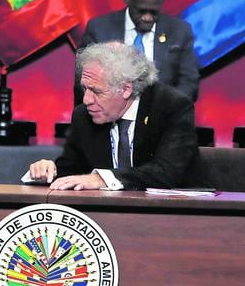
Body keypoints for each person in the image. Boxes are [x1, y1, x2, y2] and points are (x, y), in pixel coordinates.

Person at [29, 41, 197, 190]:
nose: (86, 100)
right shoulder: (83, 116)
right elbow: (73, 170)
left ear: (126, 89)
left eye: (96, 91)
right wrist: (49, 171)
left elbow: (166, 172)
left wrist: (103, 179)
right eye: (85, 89)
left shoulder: (171, 106)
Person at [79, 0, 199, 102]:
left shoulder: (180, 31)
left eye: (153, 12)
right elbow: (83, 80)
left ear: (163, 1)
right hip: (109, 114)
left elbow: (189, 83)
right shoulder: (99, 30)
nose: (147, 17)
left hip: (163, 115)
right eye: (141, 11)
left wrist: (164, 108)